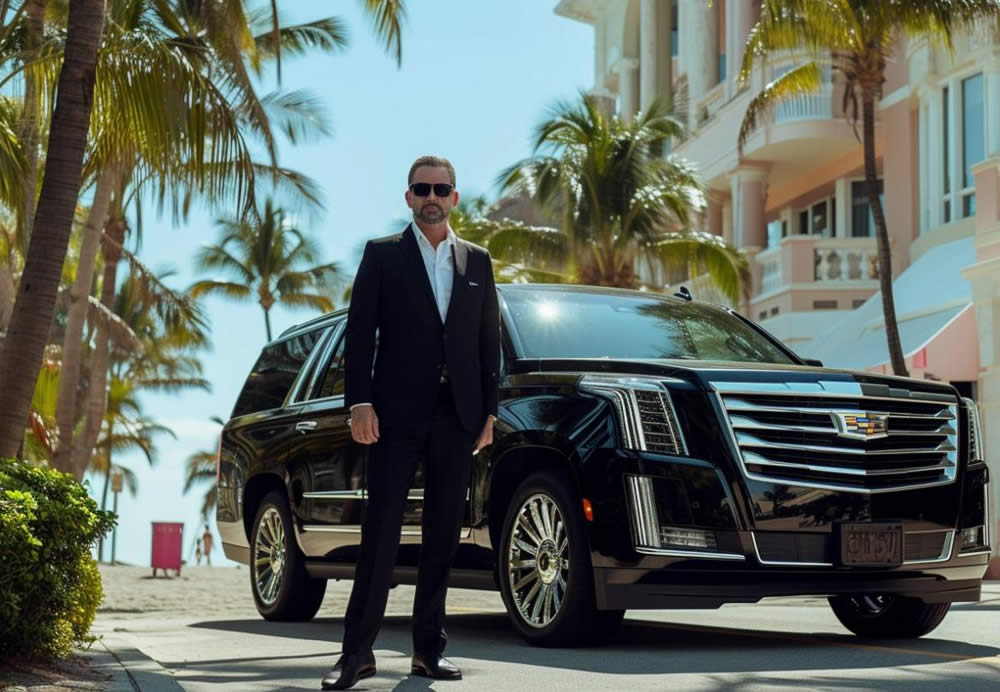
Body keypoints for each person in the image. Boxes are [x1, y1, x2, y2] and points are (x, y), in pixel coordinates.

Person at [321, 155, 500, 691]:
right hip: (395, 415)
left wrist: (488, 411)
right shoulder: (382, 257)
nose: (432, 196)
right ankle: (356, 655)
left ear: (455, 197)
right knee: (381, 534)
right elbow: (359, 335)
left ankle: (428, 651)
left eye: (441, 188)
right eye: (422, 188)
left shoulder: (478, 261)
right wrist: (360, 403)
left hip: (458, 415)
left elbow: (487, 342)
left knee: (443, 535)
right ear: (407, 197)